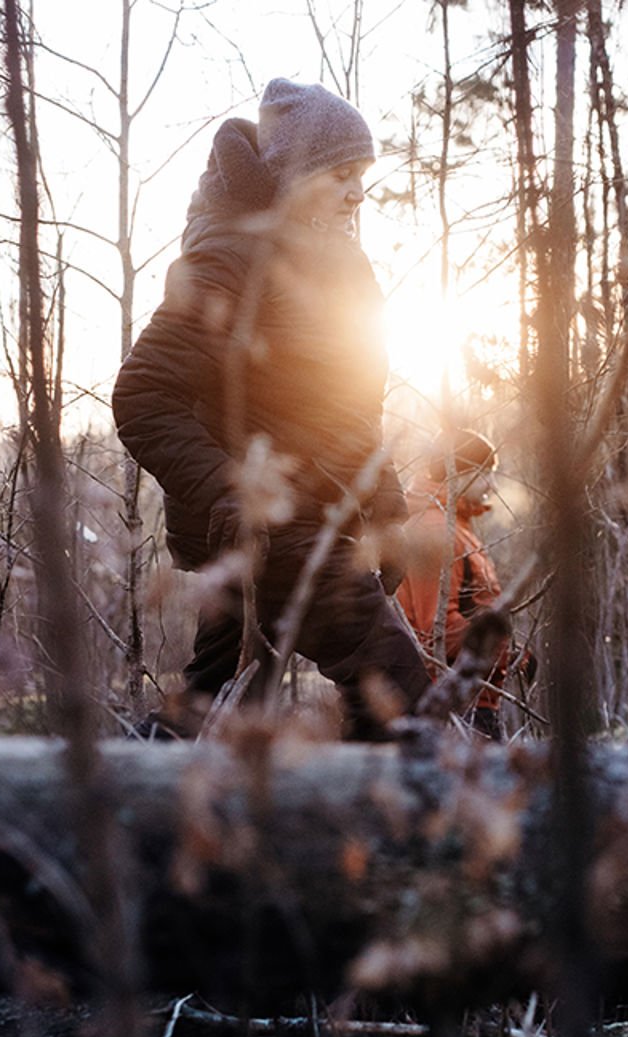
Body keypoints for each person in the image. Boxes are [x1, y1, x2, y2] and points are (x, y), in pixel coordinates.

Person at [113, 79, 429, 739]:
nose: (357, 192)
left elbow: (351, 411)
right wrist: (235, 496)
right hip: (269, 533)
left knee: (216, 710)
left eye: (362, 175)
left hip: (315, 522)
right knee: (396, 685)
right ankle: (402, 834)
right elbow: (143, 396)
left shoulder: (343, 267)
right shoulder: (230, 256)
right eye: (343, 174)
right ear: (296, 175)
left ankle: (143, 814)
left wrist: (387, 512)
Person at [395, 430, 516, 739]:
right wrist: (498, 646)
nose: (492, 484)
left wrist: (514, 654)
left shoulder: (456, 526)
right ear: (460, 472)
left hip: (472, 695)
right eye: (485, 473)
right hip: (457, 702)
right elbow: (433, 628)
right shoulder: (436, 530)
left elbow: (472, 605)